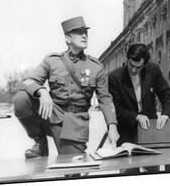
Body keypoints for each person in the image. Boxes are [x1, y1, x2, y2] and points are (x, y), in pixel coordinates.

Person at [13, 16, 119, 159]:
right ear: (68, 38)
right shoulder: (52, 61)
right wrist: (42, 91)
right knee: (21, 99)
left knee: (72, 171)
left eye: (85, 32)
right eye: (79, 32)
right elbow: (28, 81)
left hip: (75, 123)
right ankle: (40, 142)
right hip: (52, 114)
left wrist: (112, 125)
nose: (84, 35)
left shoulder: (96, 67)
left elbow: (105, 99)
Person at [108, 43, 170, 173]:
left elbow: (166, 95)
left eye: (138, 67)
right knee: (129, 174)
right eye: (131, 65)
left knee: (153, 172)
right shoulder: (115, 77)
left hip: (150, 132)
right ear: (127, 59)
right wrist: (136, 117)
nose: (133, 70)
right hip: (127, 134)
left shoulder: (153, 70)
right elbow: (117, 110)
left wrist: (166, 114)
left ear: (144, 64)